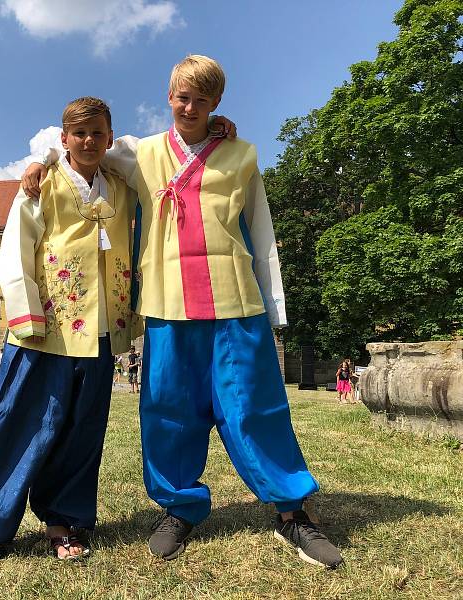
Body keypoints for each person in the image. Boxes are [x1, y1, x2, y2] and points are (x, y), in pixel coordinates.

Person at [21, 56, 342, 569]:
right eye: (181, 96)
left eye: (201, 99)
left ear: (217, 104)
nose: (189, 107)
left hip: (235, 302)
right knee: (168, 412)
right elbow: (83, 145)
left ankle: (292, 511)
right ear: (168, 96)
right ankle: (179, 507)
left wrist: (275, 307)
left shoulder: (241, 155)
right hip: (167, 306)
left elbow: (262, 234)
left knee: (254, 409)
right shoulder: (139, 153)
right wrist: (39, 158)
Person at [0, 97, 137, 574]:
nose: (89, 141)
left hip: (98, 330)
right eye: (79, 134)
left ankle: (64, 520)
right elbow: (15, 250)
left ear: (109, 136)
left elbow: (157, 152)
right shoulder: (40, 186)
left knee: (82, 431)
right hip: (45, 326)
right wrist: (24, 315)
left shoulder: (121, 186)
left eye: (98, 133)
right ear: (64, 138)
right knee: (20, 423)